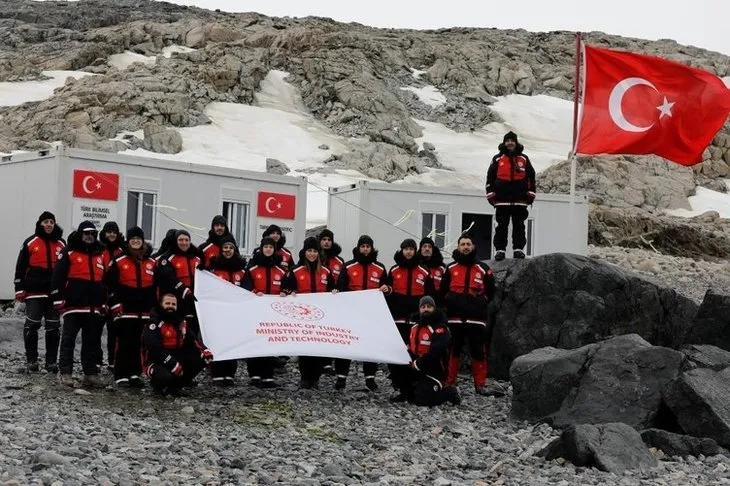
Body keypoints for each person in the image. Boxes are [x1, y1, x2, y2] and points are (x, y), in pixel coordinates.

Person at [51, 221, 109, 388]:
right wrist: (57, 298)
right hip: (73, 305)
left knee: (91, 341)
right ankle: (66, 373)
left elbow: (105, 281)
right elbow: (58, 276)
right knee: (68, 340)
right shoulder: (68, 252)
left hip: (93, 307)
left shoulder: (100, 253)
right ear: (80, 234)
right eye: (86, 233)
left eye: (92, 233)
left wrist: (104, 302)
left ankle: (90, 374)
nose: (89, 236)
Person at [441, 234, 500, 396]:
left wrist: (480, 303)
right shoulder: (450, 268)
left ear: (473, 247)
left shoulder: (483, 268)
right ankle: (450, 382)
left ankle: (480, 385)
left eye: (468, 244)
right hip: (454, 317)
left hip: (476, 318)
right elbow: (443, 290)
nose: (465, 247)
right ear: (458, 247)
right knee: (453, 349)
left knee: (478, 350)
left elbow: (491, 291)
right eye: (462, 244)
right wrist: (450, 302)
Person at [14, 211, 66, 373]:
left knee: (53, 327)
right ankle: (32, 360)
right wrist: (19, 290)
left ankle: (51, 362)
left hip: (54, 294)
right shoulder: (30, 242)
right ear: (40, 224)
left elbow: (67, 270)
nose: (49, 224)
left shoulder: (62, 244)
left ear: (54, 224)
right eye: (46, 222)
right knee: (32, 325)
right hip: (34, 292)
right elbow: (20, 268)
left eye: (51, 221)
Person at [105, 226, 157, 387]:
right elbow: (109, 285)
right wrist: (114, 304)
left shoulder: (152, 262)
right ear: (128, 241)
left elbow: (158, 286)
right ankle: (121, 373)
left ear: (143, 241)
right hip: (125, 310)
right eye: (133, 239)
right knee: (124, 342)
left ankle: (135, 373)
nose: (136, 241)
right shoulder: (119, 261)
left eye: (138, 239)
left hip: (144, 310)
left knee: (139, 343)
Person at [282, 237, 337, 389]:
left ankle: (316, 378)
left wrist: (334, 291)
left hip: (321, 316)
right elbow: (286, 288)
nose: (312, 254)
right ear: (304, 252)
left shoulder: (326, 271)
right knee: (305, 348)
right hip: (303, 316)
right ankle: (305, 377)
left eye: (314, 251)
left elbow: (333, 288)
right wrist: (288, 292)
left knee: (319, 348)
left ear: (318, 253)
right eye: (309, 251)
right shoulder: (295, 271)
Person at [335, 235, 389, 391]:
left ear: (372, 248)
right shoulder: (348, 266)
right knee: (345, 343)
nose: (365, 249)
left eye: (368, 246)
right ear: (358, 248)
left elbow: (387, 288)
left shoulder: (379, 267)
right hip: (351, 313)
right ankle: (341, 377)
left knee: (370, 344)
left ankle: (370, 378)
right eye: (362, 246)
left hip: (371, 314)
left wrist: (386, 289)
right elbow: (341, 289)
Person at [389, 296, 461, 406]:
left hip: (433, 369)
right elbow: (411, 347)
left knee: (422, 401)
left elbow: (436, 352)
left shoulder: (440, 328)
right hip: (417, 366)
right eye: (423, 307)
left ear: (434, 309)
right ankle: (406, 393)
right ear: (419, 309)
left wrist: (418, 363)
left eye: (429, 307)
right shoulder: (414, 327)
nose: (426, 309)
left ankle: (449, 392)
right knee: (396, 362)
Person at [142, 293, 213, 396]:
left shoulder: (180, 321)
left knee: (202, 358)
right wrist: (172, 362)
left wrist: (205, 351)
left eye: (173, 304)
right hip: (156, 360)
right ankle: (157, 386)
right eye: (167, 303)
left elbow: (193, 339)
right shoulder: (153, 323)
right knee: (165, 377)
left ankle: (175, 387)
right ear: (161, 305)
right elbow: (154, 347)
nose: (170, 306)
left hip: (176, 356)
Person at [242, 236, 288, 388]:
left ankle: (268, 375)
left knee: (270, 343)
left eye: (271, 247)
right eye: (266, 247)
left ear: (274, 249)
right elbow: (245, 287)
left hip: (273, 313)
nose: (268, 249)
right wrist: (254, 291)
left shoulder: (281, 271)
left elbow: (287, 287)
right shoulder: (252, 269)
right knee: (254, 342)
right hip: (255, 312)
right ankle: (254, 374)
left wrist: (284, 292)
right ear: (261, 248)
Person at [486, 131, 536, 261]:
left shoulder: (524, 158)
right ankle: (500, 250)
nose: (510, 143)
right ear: (504, 143)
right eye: (507, 141)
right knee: (501, 226)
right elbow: (490, 176)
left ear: (516, 142)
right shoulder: (497, 158)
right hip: (502, 200)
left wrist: (531, 193)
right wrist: (490, 193)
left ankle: (518, 249)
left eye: (512, 141)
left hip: (520, 199)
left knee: (519, 225)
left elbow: (531, 176)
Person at [205, 234, 247, 386]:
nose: (228, 250)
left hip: (235, 314)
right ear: (220, 250)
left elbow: (247, 289)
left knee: (232, 343)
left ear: (235, 250)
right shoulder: (213, 269)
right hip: (217, 313)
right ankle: (217, 372)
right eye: (225, 248)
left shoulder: (242, 270)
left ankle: (229, 373)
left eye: (231, 248)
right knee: (216, 342)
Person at [384, 238, 434, 344]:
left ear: (415, 251)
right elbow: (388, 291)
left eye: (411, 249)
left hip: (417, 318)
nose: (408, 252)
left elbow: (430, 294)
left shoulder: (424, 270)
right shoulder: (394, 270)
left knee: (414, 346)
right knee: (397, 346)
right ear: (402, 251)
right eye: (406, 249)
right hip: (398, 317)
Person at [155, 230, 201, 334]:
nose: (184, 243)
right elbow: (169, 278)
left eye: (186, 240)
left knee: (193, 331)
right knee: (178, 332)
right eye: (181, 240)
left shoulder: (197, 258)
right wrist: (185, 291)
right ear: (176, 241)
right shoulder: (168, 258)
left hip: (194, 302)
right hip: (176, 301)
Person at [318, 229, 345, 376]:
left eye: (329, 239)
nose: (326, 242)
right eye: (324, 239)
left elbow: (342, 280)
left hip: (332, 302)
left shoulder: (339, 261)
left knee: (329, 332)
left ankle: (327, 362)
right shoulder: (313, 257)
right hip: (316, 301)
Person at [100, 221, 125, 370]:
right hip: (100, 293)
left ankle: (112, 360)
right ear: (104, 233)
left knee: (114, 329)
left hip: (117, 294)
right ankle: (96, 360)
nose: (111, 235)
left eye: (114, 232)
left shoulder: (122, 250)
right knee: (96, 329)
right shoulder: (98, 249)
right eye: (109, 232)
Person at [417, 237, 446, 305]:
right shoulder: (416, 265)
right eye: (424, 246)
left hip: (437, 302)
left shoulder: (441, 267)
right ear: (420, 249)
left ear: (433, 249)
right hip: (419, 302)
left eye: (429, 247)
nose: (427, 249)